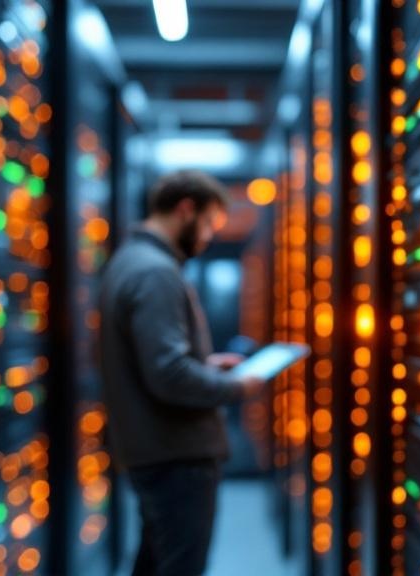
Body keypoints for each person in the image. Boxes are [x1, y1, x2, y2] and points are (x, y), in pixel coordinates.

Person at [99, 170, 264, 576]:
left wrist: (205, 365)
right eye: (208, 224)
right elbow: (169, 374)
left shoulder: (128, 260)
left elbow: (150, 360)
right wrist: (236, 386)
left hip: (152, 448)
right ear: (185, 210)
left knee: (155, 563)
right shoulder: (155, 272)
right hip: (177, 453)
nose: (208, 237)